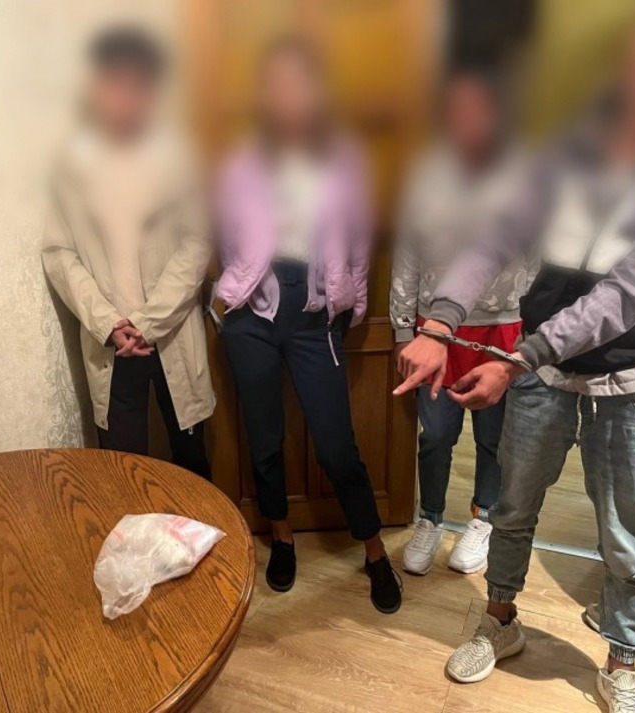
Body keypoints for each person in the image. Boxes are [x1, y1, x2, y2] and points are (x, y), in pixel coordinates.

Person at [393, 1, 635, 710]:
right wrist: (439, 322)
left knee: (623, 537)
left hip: (632, 375)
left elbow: (632, 289)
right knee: (513, 509)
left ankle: (621, 659)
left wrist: (519, 357)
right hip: (546, 370)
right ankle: (500, 622)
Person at [215, 37, 402, 613]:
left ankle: (374, 550)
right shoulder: (243, 162)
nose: (288, 95)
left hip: (316, 312)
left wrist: (352, 302)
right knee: (264, 439)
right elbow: (226, 235)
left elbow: (361, 239)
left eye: (299, 83)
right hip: (252, 310)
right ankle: (282, 537)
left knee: (336, 445)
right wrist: (229, 296)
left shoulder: (345, 159)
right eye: (277, 84)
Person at [42, 27, 214, 479]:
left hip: (170, 331)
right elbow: (58, 252)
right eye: (114, 82)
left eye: (137, 84)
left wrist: (148, 322)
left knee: (192, 462)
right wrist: (108, 323)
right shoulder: (70, 166)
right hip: (112, 343)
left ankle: (203, 527)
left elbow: (197, 242)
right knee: (122, 469)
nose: (126, 96)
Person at [391, 67, 532, 576]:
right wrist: (403, 329)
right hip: (434, 329)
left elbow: (537, 260)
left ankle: (483, 516)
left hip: (503, 326)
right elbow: (406, 256)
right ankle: (430, 517)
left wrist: (531, 331)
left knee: (495, 437)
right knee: (434, 436)